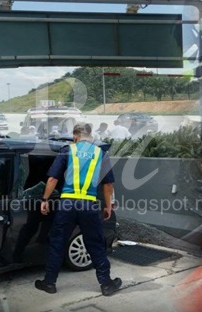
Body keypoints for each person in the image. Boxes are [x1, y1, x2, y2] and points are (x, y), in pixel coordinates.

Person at [34, 123, 122, 296]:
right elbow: (108, 185)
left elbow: (52, 179)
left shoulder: (68, 150)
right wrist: (108, 206)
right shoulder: (100, 153)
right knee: (96, 244)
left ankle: (49, 283)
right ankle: (106, 284)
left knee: (58, 242)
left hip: (67, 203)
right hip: (89, 205)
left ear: (75, 137)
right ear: (91, 136)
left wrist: (44, 200)